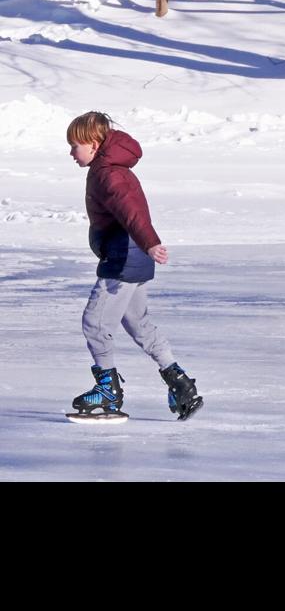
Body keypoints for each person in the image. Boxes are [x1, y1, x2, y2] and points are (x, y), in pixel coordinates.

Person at [65, 111, 203, 421]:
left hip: (124, 257)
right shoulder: (109, 167)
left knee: (95, 323)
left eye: (76, 145)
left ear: (94, 143)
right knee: (137, 323)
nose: (72, 152)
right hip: (132, 255)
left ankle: (107, 391)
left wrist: (150, 241)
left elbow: (132, 211)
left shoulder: (108, 173)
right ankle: (179, 383)